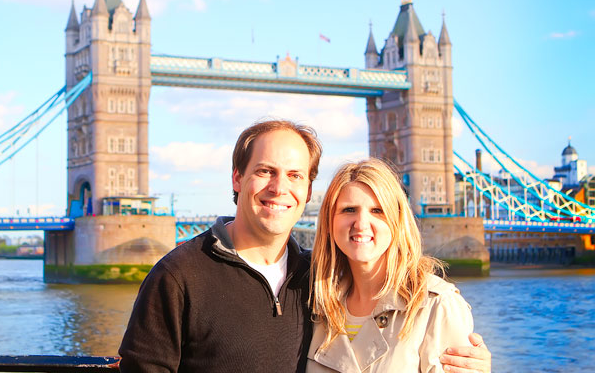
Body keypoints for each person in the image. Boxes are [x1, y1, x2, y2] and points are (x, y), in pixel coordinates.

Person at [119, 120, 490, 373]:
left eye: (295, 175)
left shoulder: (316, 280)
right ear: (237, 177)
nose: (279, 188)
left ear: (308, 192)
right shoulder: (179, 276)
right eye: (265, 171)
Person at [308, 159, 485, 372]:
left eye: (377, 211)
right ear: (329, 222)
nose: (361, 223)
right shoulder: (317, 304)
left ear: (397, 221)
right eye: (349, 210)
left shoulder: (436, 305)